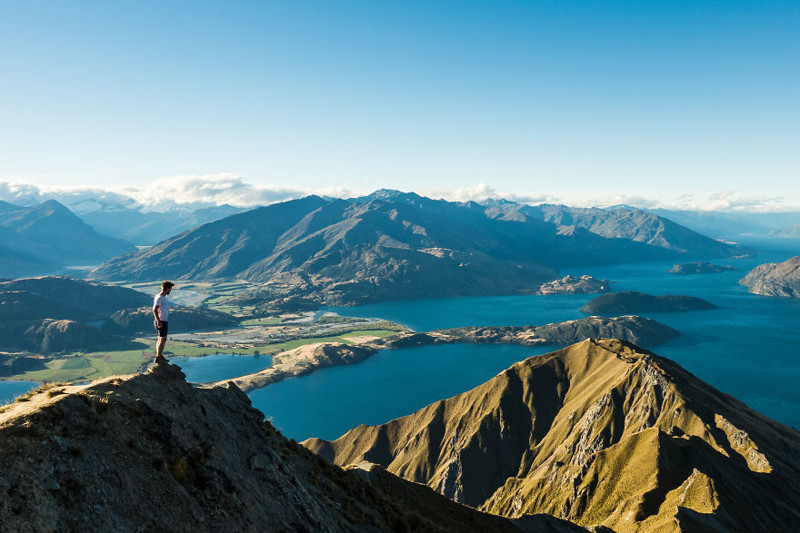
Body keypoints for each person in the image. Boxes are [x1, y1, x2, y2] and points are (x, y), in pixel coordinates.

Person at [153, 280, 174, 365]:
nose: (170, 291)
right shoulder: (160, 298)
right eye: (170, 289)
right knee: (162, 339)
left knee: (160, 339)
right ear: (167, 288)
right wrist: (158, 321)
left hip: (162, 320)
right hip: (161, 321)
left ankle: (159, 356)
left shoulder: (161, 297)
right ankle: (158, 357)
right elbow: (154, 309)